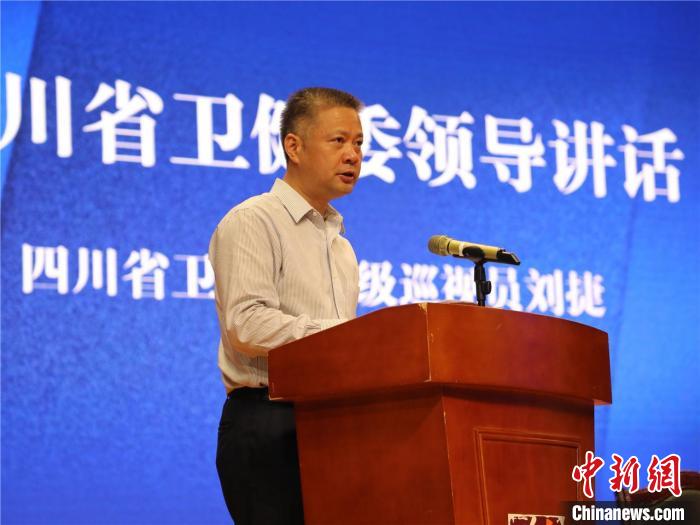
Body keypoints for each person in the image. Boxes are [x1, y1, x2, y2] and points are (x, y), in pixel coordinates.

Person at [209, 87, 364, 524]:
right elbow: (247, 324)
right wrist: (348, 338)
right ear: (293, 146)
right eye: (338, 141)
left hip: (333, 423)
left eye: (358, 143)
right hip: (269, 420)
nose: (353, 155)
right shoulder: (254, 221)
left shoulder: (341, 246)